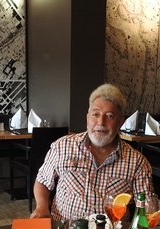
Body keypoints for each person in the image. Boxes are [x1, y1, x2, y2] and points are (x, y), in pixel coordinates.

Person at [31, 83, 153, 221]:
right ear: (87, 118)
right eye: (95, 114)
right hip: (65, 227)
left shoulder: (137, 162)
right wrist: (41, 207)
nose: (101, 122)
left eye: (110, 116)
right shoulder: (62, 146)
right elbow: (43, 181)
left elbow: (147, 205)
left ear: (120, 122)